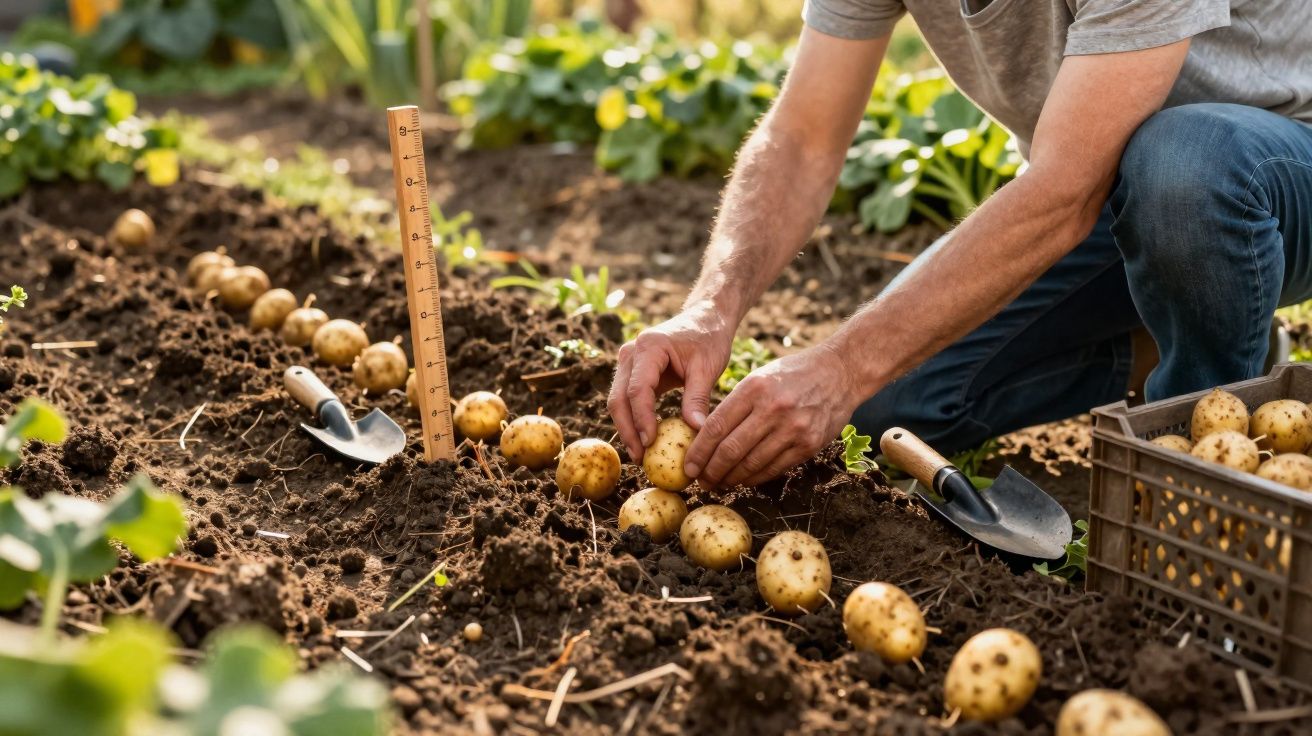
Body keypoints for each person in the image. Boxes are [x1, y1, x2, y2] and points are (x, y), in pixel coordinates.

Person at [607, 1, 1312, 489]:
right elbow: (802, 138)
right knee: (888, 407)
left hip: (1277, 169)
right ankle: (1180, 333)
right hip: (1113, 185)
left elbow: (1062, 191)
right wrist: (709, 309)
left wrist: (843, 363)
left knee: (1183, 160)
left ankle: (1206, 460)